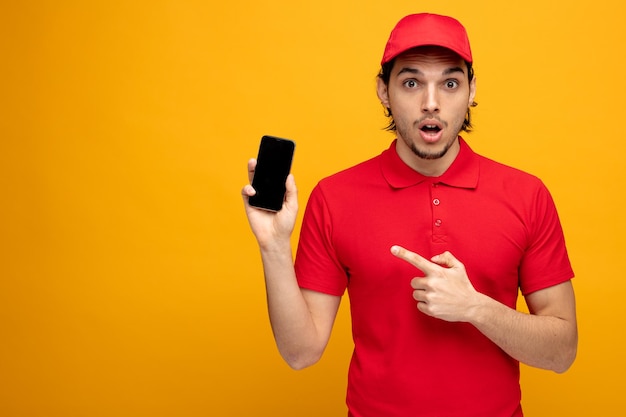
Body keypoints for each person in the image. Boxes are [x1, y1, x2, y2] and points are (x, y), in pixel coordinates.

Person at [242, 13, 577, 417]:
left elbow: (562, 352)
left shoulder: (526, 195)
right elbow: (301, 352)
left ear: (472, 90)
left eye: (450, 83)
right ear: (384, 91)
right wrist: (274, 247)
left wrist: (475, 308)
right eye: (411, 82)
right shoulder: (334, 197)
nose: (431, 102)